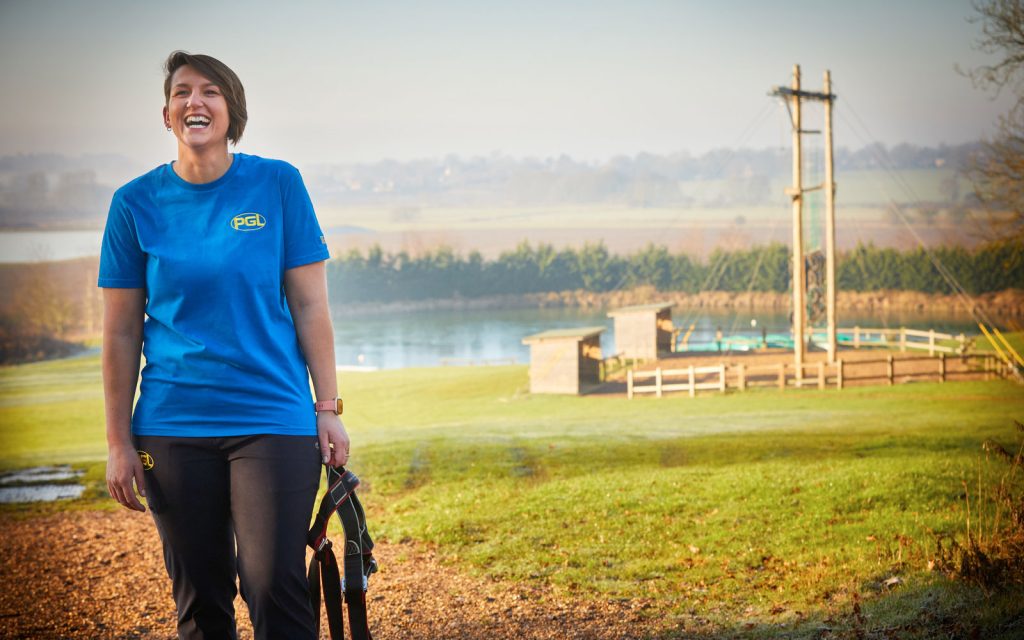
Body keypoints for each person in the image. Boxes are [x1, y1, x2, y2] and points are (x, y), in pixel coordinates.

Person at [99, 51, 349, 640]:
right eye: (182, 92)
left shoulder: (278, 183)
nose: (195, 102)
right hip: (172, 425)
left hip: (273, 419)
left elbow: (311, 305)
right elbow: (119, 332)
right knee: (201, 598)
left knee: (272, 583)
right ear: (166, 115)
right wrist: (117, 441)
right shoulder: (134, 204)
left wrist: (328, 408)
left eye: (211, 92)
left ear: (231, 111)